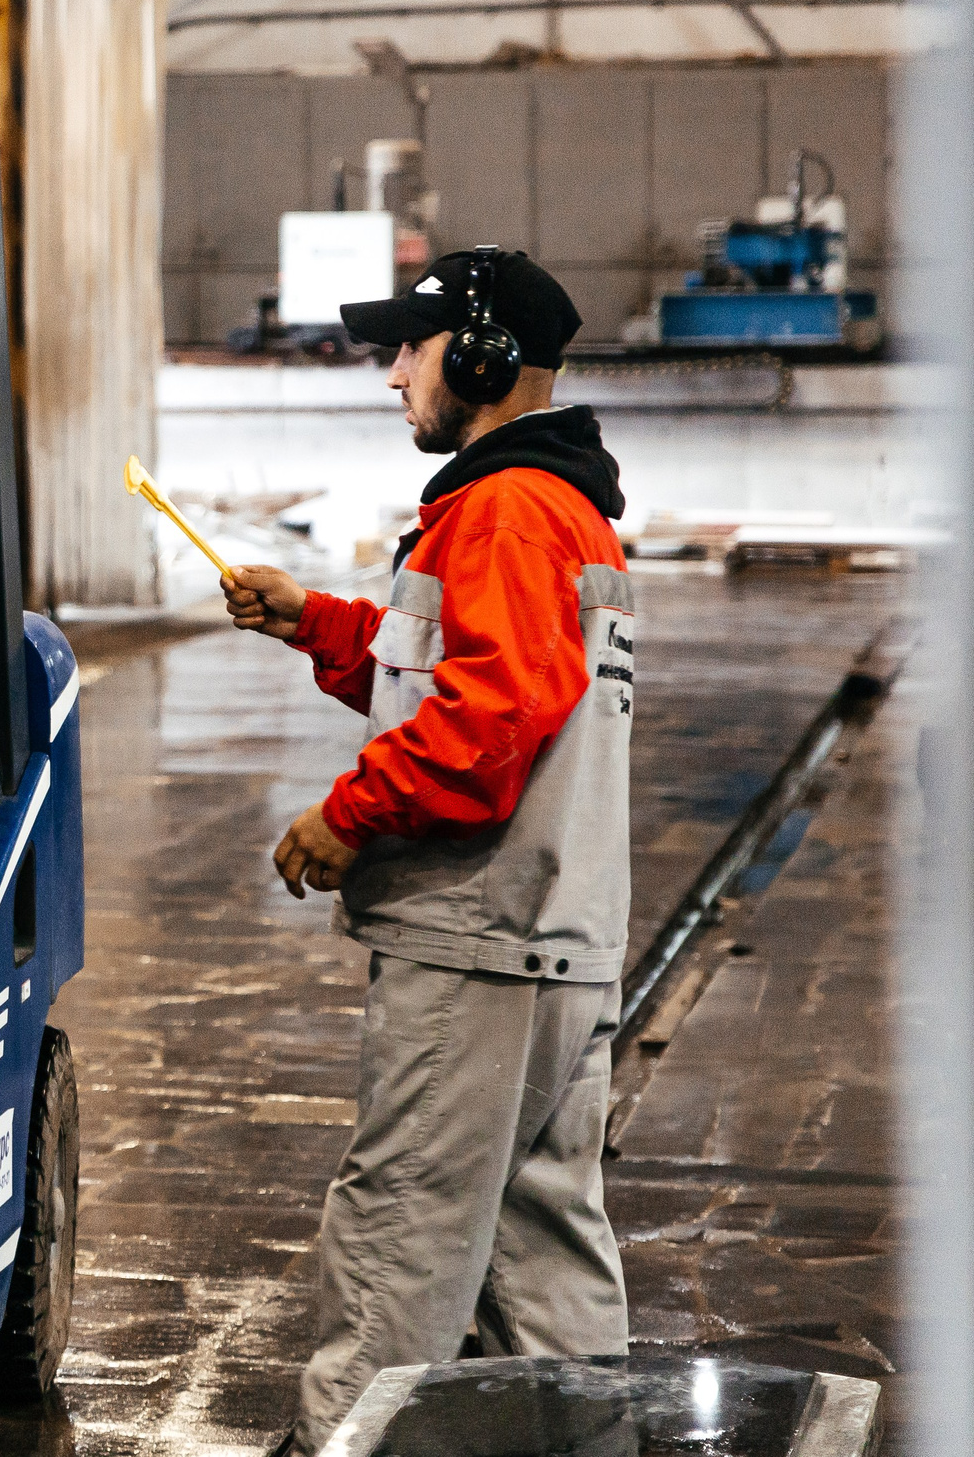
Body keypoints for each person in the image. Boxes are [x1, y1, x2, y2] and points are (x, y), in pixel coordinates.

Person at [220, 249, 635, 1454]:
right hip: (557, 943)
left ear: (487, 359)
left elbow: (491, 718)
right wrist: (319, 624)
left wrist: (345, 815)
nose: (394, 371)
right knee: (544, 1267)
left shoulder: (502, 509)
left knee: (398, 1252)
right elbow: (474, 678)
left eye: (411, 345)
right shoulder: (561, 502)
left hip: (475, 940)